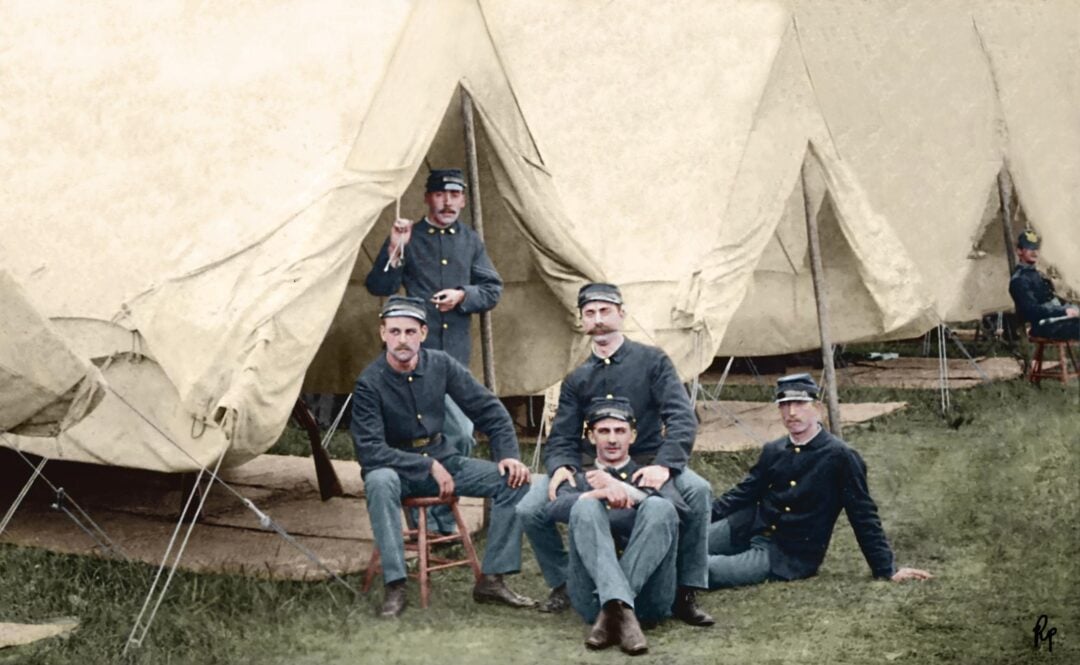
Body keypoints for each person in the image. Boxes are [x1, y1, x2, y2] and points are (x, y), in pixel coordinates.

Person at [518, 283, 714, 626]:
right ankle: (565, 583)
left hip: (648, 461)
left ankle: (686, 591)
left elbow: (682, 418)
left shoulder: (653, 361)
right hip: (593, 465)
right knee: (530, 507)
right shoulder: (578, 377)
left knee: (698, 491)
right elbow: (562, 434)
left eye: (605, 311)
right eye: (590, 313)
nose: (599, 320)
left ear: (621, 314)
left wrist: (665, 465)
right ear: (581, 321)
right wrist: (561, 465)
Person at [351, 296, 535, 617]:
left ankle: (492, 579)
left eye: (410, 331)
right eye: (395, 331)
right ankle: (395, 584)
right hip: (396, 470)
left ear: (423, 333)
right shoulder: (370, 382)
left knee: (514, 481)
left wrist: (508, 455)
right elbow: (370, 450)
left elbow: (489, 409)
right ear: (383, 333)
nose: (402, 340)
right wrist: (427, 465)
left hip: (444, 461)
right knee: (378, 481)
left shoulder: (441, 364)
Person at [365, 168, 503, 533]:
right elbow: (379, 285)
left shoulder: (470, 240)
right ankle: (427, 523)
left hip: (452, 361)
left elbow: (492, 289)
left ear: (463, 200)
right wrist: (395, 247)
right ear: (428, 198)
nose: (447, 203)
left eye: (454, 196)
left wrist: (463, 295)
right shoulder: (410, 235)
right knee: (412, 437)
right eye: (440, 195)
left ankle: (440, 518)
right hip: (412, 359)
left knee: (460, 435)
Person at [707, 373, 932, 589]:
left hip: (784, 553)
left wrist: (886, 569)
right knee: (688, 540)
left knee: (704, 569)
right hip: (746, 526)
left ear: (818, 407)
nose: (791, 412)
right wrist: (699, 519)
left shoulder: (841, 457)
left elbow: (863, 515)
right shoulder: (774, 450)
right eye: (784, 405)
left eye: (800, 403)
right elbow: (742, 494)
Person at [547, 397, 683, 655]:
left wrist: (624, 489)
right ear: (591, 436)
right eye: (604, 431)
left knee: (660, 507)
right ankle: (623, 613)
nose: (612, 439)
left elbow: (678, 514)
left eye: (620, 431)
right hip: (592, 599)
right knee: (585, 507)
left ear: (633, 436)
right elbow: (553, 509)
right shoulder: (579, 478)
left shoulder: (650, 475)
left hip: (649, 598)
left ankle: (612, 610)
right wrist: (597, 494)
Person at [1008, 230, 1079, 341]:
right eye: (1030, 248)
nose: (1035, 252)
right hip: (1043, 326)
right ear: (1019, 251)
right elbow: (1031, 311)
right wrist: (1063, 311)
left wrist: (1069, 307)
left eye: (1036, 248)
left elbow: (1052, 299)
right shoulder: (1019, 280)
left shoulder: (1037, 274)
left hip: (1057, 320)